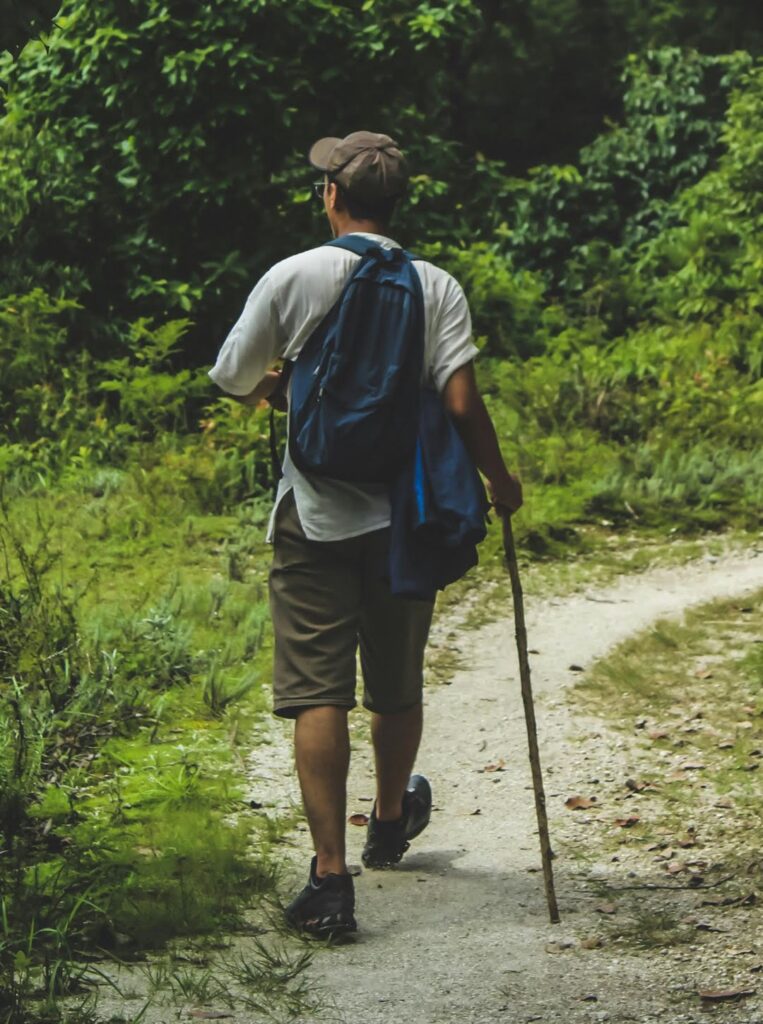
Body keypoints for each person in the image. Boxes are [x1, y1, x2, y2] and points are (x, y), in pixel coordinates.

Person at [209, 131, 522, 936]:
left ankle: (329, 878)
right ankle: (388, 822)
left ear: (332, 198)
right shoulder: (435, 285)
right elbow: (458, 404)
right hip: (404, 519)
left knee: (318, 690)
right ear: (396, 204)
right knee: (396, 676)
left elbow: (231, 377)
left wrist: (279, 394)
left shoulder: (295, 274)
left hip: (312, 514)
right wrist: (498, 478)